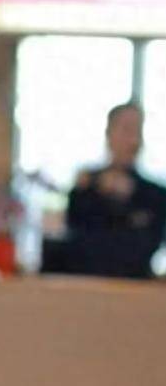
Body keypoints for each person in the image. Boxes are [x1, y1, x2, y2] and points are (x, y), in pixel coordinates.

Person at [63, 103, 166, 280]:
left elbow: (147, 247)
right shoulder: (84, 190)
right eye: (126, 129)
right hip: (87, 286)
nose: (133, 140)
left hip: (135, 289)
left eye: (138, 130)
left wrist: (130, 199)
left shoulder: (155, 194)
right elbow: (76, 243)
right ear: (108, 133)